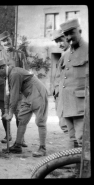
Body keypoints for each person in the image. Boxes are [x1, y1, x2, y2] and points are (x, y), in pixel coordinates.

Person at [0, 30, 28, 146]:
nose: (6, 42)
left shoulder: (20, 54)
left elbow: (26, 72)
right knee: (4, 113)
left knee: (19, 114)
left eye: (7, 39)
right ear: (1, 43)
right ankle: (8, 135)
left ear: (11, 39)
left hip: (17, 89)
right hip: (2, 90)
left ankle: (20, 138)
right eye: (3, 41)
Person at [2, 63, 49, 157]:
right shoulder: (10, 74)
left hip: (37, 92)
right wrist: (7, 110)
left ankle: (42, 149)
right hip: (28, 95)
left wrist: (10, 113)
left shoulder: (14, 73)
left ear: (2, 68)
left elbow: (14, 95)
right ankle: (17, 145)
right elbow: (8, 93)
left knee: (40, 121)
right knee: (22, 119)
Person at [57, 18, 88, 149]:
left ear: (79, 31)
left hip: (82, 105)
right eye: (66, 34)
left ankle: (85, 169)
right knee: (72, 139)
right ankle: (76, 169)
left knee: (83, 140)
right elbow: (61, 79)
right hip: (67, 104)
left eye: (72, 33)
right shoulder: (65, 55)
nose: (69, 37)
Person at [51, 29, 70, 134]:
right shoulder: (64, 54)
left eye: (61, 40)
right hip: (61, 95)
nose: (59, 44)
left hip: (67, 96)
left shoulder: (71, 54)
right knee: (65, 125)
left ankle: (74, 148)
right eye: (56, 42)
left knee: (68, 126)